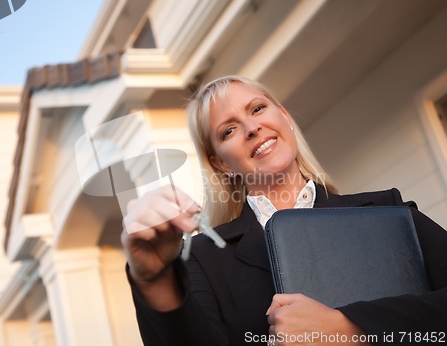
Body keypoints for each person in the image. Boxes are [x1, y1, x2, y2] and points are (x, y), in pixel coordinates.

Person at [121, 75, 447, 345]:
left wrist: (350, 328)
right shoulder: (203, 260)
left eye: (258, 108)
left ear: (285, 119)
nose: (252, 128)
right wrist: (153, 279)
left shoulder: (386, 209)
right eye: (229, 130)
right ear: (220, 163)